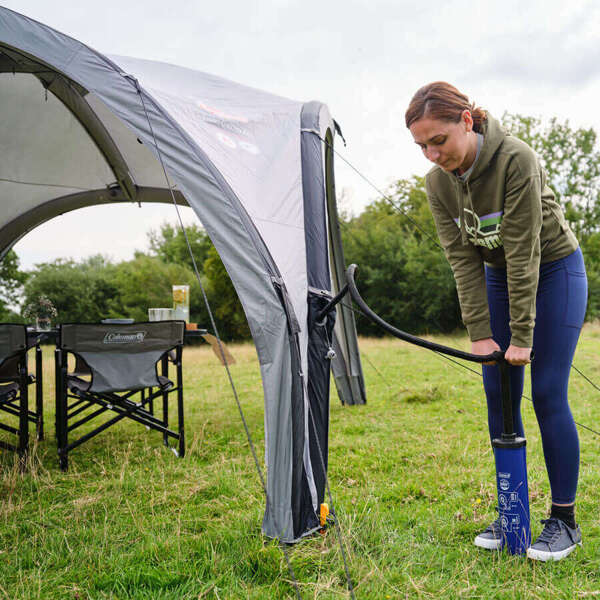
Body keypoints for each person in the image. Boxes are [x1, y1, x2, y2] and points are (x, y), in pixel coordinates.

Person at [405, 82, 587, 561]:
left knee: (546, 392)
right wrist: (481, 335)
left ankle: (564, 521)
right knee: (498, 393)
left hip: (554, 271)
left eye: (438, 141)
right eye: (421, 145)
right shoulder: (437, 183)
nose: (430, 154)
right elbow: (462, 261)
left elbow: (526, 252)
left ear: (466, 121)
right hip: (497, 277)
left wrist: (521, 337)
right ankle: (514, 512)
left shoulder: (515, 159)